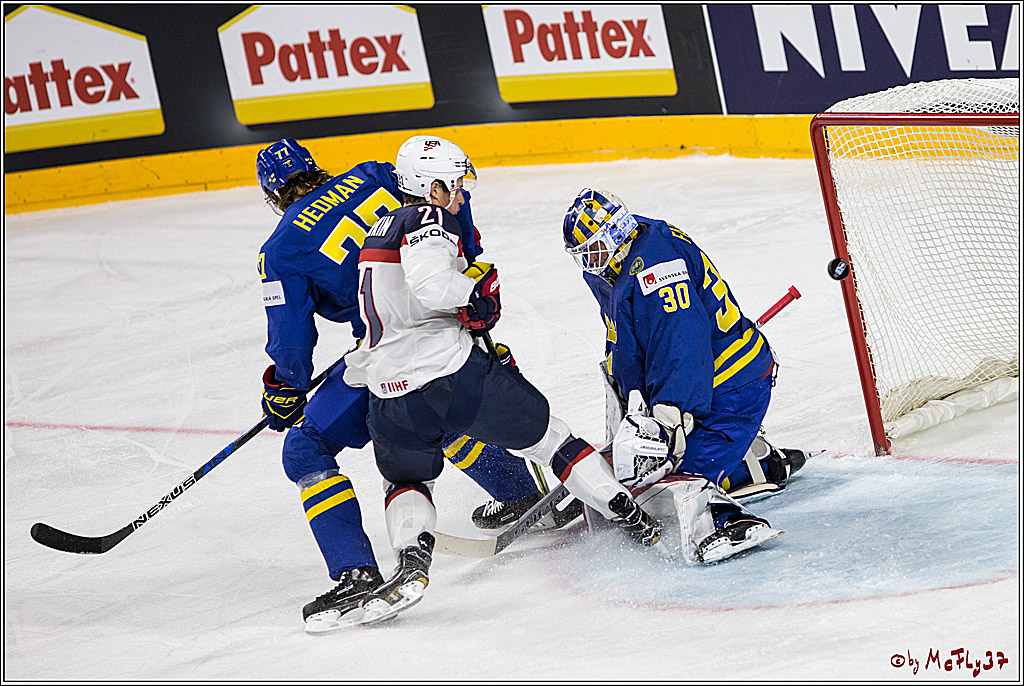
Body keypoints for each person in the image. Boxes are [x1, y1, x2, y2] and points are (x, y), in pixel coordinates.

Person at [341, 137, 663, 625]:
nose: (460, 195)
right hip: (449, 375)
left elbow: (398, 302)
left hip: (388, 393)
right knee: (552, 439)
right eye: (454, 184)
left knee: (406, 479)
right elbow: (431, 286)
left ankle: (411, 566)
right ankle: (629, 514)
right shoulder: (428, 219)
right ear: (432, 186)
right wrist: (474, 296)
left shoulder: (376, 233)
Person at [255, 138, 550, 633]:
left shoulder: (280, 251)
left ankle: (356, 572)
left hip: (387, 354)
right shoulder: (374, 173)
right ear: (316, 167)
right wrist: (466, 259)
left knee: (304, 449)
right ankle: (522, 492)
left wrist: (283, 388)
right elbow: (449, 197)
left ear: (271, 196)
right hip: (453, 331)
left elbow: (291, 345)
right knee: (440, 409)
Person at [561, 188, 808, 564]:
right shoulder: (618, 259)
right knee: (639, 469)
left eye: (593, 249)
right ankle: (749, 461)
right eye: (583, 254)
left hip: (732, 387)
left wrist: (670, 416)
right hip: (701, 386)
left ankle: (726, 518)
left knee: (666, 486)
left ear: (615, 232)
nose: (589, 261)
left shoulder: (657, 268)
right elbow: (630, 334)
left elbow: (682, 347)